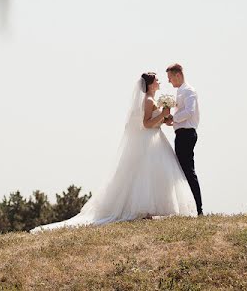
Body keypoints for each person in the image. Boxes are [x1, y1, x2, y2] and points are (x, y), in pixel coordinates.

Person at [30, 72, 197, 232]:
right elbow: (146, 124)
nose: (160, 82)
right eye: (157, 80)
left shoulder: (151, 99)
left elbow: (152, 124)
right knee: (147, 175)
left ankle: (152, 210)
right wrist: (163, 115)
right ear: (151, 84)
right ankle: (145, 210)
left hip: (155, 140)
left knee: (153, 174)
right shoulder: (148, 100)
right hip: (150, 141)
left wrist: (164, 117)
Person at [164, 63, 202, 216]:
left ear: (178, 75)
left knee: (187, 171)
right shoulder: (180, 91)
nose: (169, 81)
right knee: (183, 170)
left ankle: (198, 208)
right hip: (181, 134)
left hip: (187, 134)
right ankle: (190, 207)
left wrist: (174, 118)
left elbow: (189, 111)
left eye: (170, 78)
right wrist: (172, 121)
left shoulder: (188, 91)